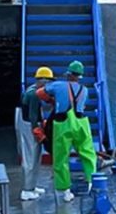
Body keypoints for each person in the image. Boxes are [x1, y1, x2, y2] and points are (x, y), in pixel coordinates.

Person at [36, 61, 97, 203]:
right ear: (80, 76)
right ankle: (92, 183)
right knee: (88, 154)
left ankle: (65, 191)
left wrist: (52, 99)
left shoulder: (58, 85)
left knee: (61, 158)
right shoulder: (85, 90)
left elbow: (40, 93)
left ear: (68, 74)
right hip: (81, 123)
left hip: (62, 123)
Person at [16, 66, 55, 201]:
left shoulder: (34, 90)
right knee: (30, 157)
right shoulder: (33, 94)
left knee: (36, 155)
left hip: (29, 122)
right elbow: (32, 115)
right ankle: (26, 190)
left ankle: (32, 186)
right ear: (43, 81)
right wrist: (36, 129)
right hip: (28, 125)